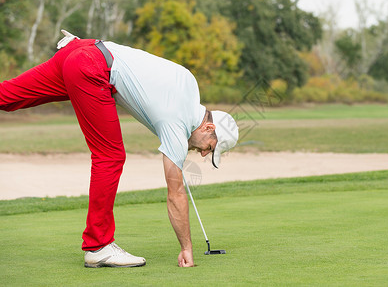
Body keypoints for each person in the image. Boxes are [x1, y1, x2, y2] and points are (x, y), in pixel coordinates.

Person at [0, 30, 239, 268]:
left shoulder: (189, 82)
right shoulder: (176, 123)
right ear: (208, 127)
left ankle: (99, 245)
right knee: (110, 156)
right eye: (210, 147)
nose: (204, 154)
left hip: (81, 49)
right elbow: (174, 193)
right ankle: (98, 246)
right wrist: (186, 248)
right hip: (92, 67)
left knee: (7, 96)